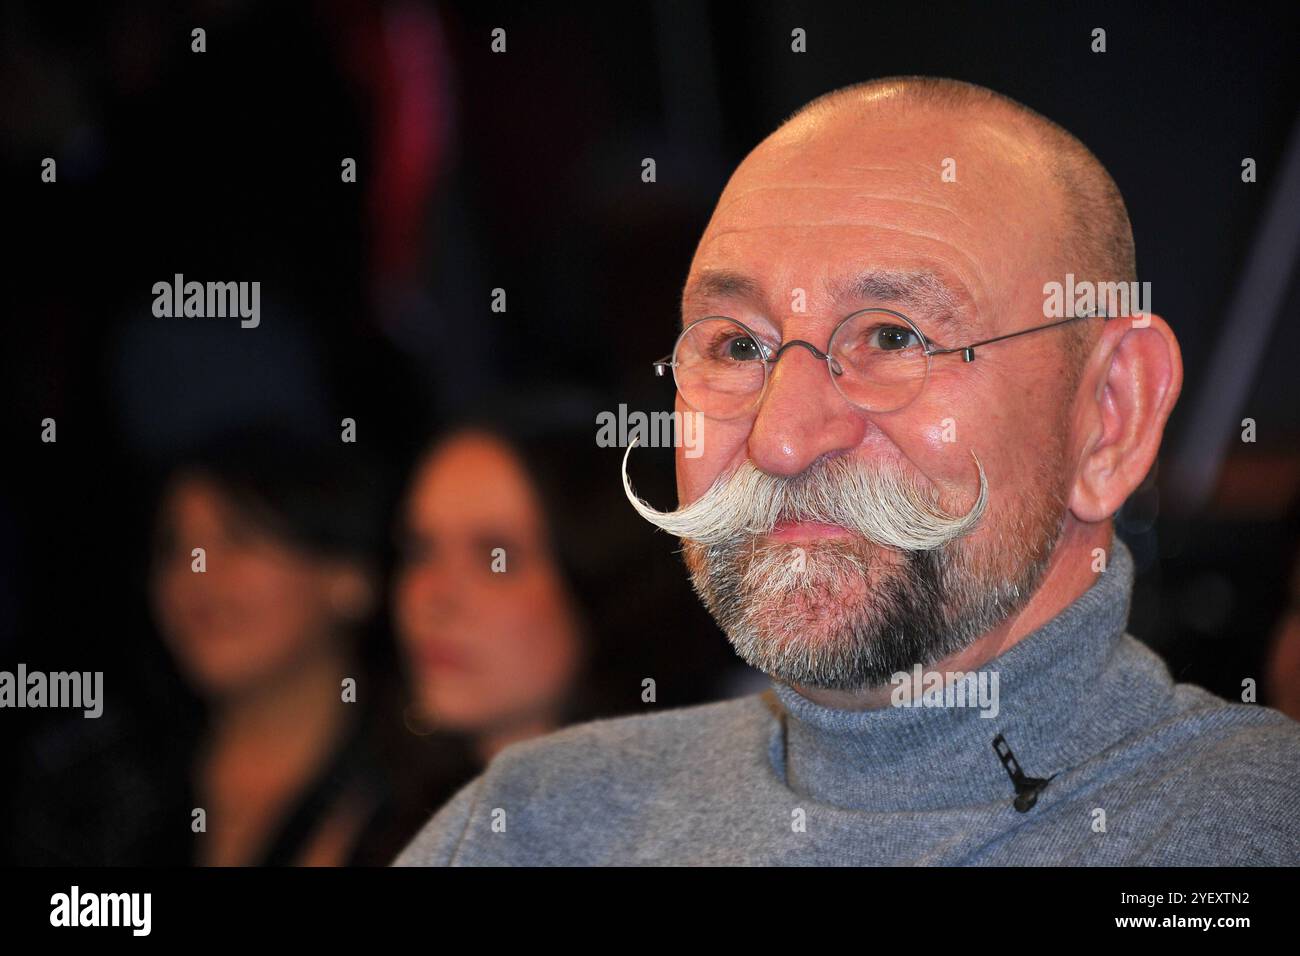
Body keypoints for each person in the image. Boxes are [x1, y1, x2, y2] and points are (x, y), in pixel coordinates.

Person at [394, 77, 1300, 866]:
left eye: (893, 338)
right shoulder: (530, 825)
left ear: (1111, 417)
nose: (782, 440)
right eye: (736, 346)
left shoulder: (1245, 834)